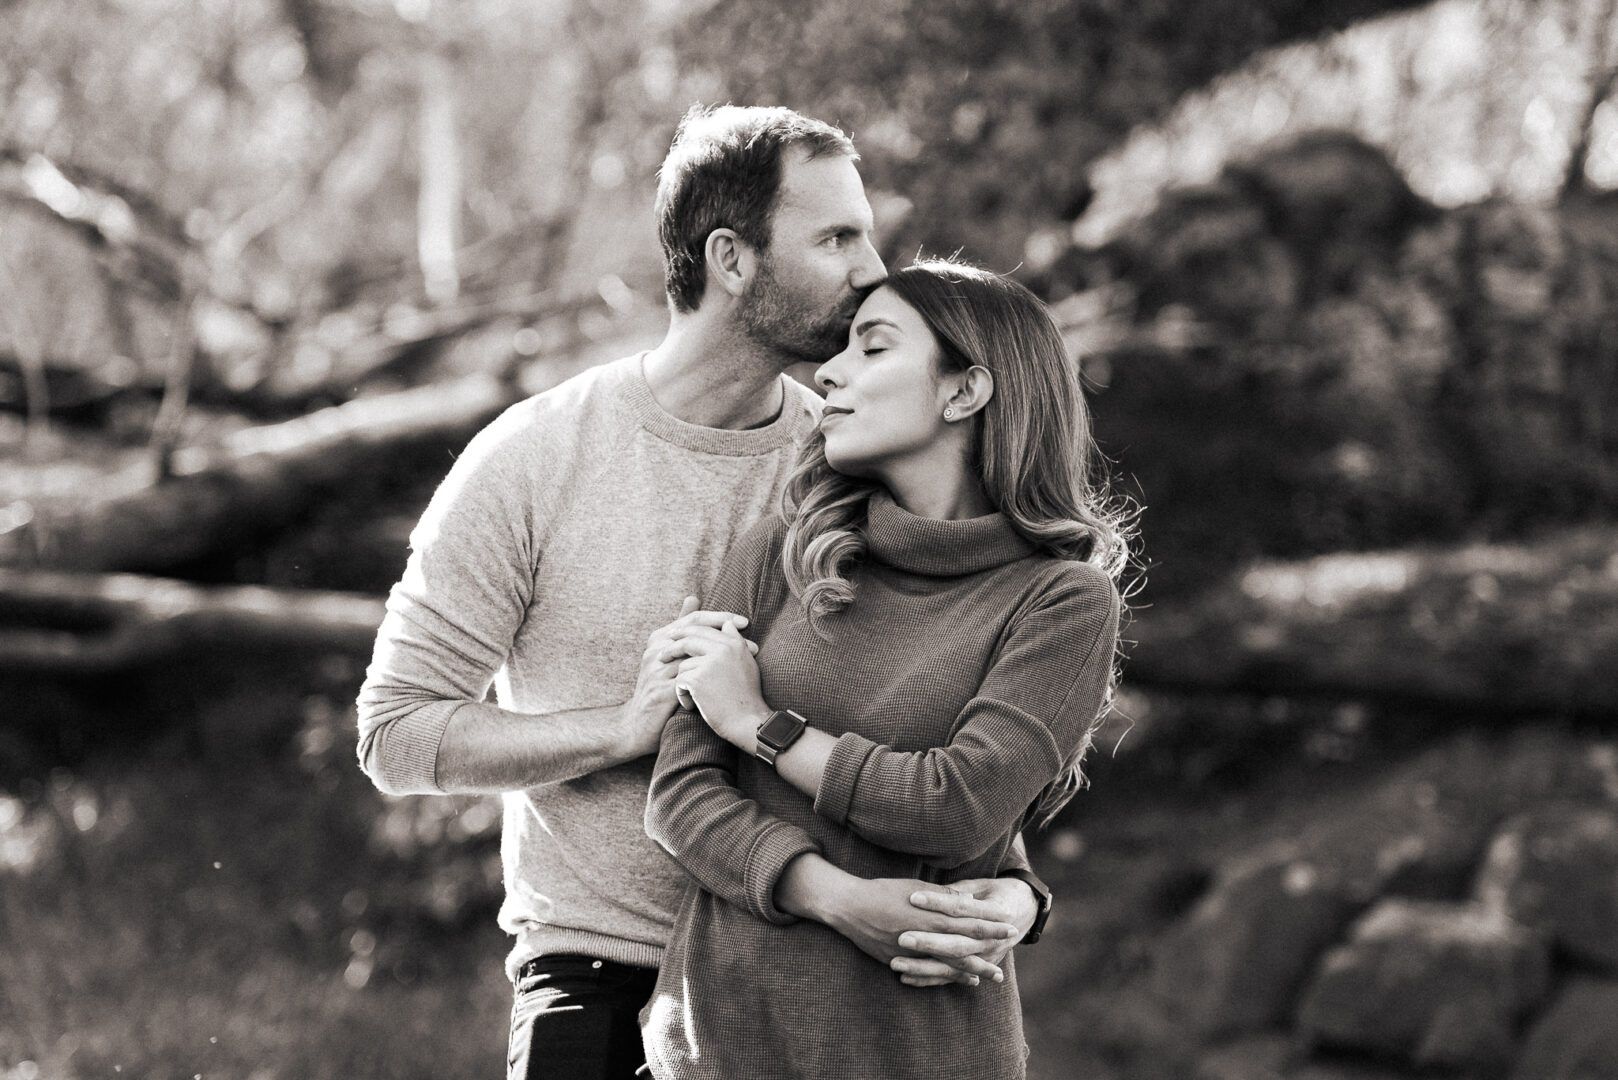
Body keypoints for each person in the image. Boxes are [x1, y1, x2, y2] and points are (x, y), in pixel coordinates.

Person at [355, 106, 1050, 1080]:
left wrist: (1016, 890)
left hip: (814, 982)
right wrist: (619, 729)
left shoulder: (850, 463)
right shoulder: (533, 459)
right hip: (597, 980)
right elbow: (394, 736)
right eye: (837, 237)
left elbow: (932, 719)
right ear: (732, 257)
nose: (871, 270)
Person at [642, 258, 1130, 1079]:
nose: (827, 371)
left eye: (874, 347)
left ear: (964, 392)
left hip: (926, 1051)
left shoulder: (1062, 601)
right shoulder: (781, 553)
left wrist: (759, 726)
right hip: (722, 1045)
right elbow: (680, 797)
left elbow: (953, 810)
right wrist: (836, 898)